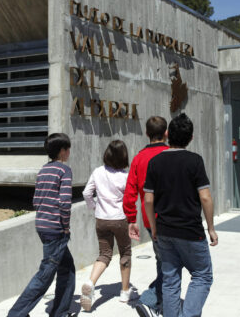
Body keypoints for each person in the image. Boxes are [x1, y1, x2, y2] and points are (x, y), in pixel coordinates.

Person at [143, 113, 219, 317]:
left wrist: (154, 226)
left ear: (168, 135)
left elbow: (148, 200)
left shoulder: (155, 162)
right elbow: (205, 198)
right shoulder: (195, 161)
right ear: (191, 138)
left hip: (165, 230)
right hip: (190, 231)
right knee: (202, 276)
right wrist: (211, 228)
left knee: (170, 280)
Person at [7, 133, 76, 317]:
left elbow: (36, 201)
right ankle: (16, 314)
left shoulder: (43, 170)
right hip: (56, 228)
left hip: (42, 225)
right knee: (45, 275)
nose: (69, 152)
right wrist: (66, 226)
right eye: (68, 148)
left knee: (67, 268)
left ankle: (60, 311)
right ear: (62, 151)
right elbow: (64, 202)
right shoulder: (64, 171)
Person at [81, 140, 135, 311]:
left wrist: (94, 207)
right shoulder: (126, 176)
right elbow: (130, 199)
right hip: (120, 219)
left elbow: (86, 192)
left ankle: (90, 283)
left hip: (101, 219)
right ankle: (125, 292)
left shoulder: (97, 172)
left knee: (104, 254)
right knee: (125, 252)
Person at [123, 116, 169, 317]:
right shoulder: (172, 154)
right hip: (172, 217)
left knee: (163, 260)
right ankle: (150, 300)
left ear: (147, 133)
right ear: (165, 133)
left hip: (150, 219)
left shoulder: (139, 158)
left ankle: (158, 302)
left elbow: (130, 192)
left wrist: (132, 219)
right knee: (170, 264)